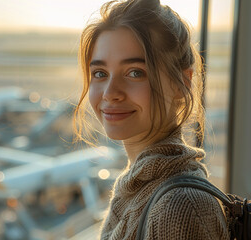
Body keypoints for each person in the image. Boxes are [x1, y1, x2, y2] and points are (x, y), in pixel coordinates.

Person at [73, 0, 229, 239]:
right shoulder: (138, 187)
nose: (110, 93)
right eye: (100, 73)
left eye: (136, 72)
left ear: (182, 82)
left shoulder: (179, 208)